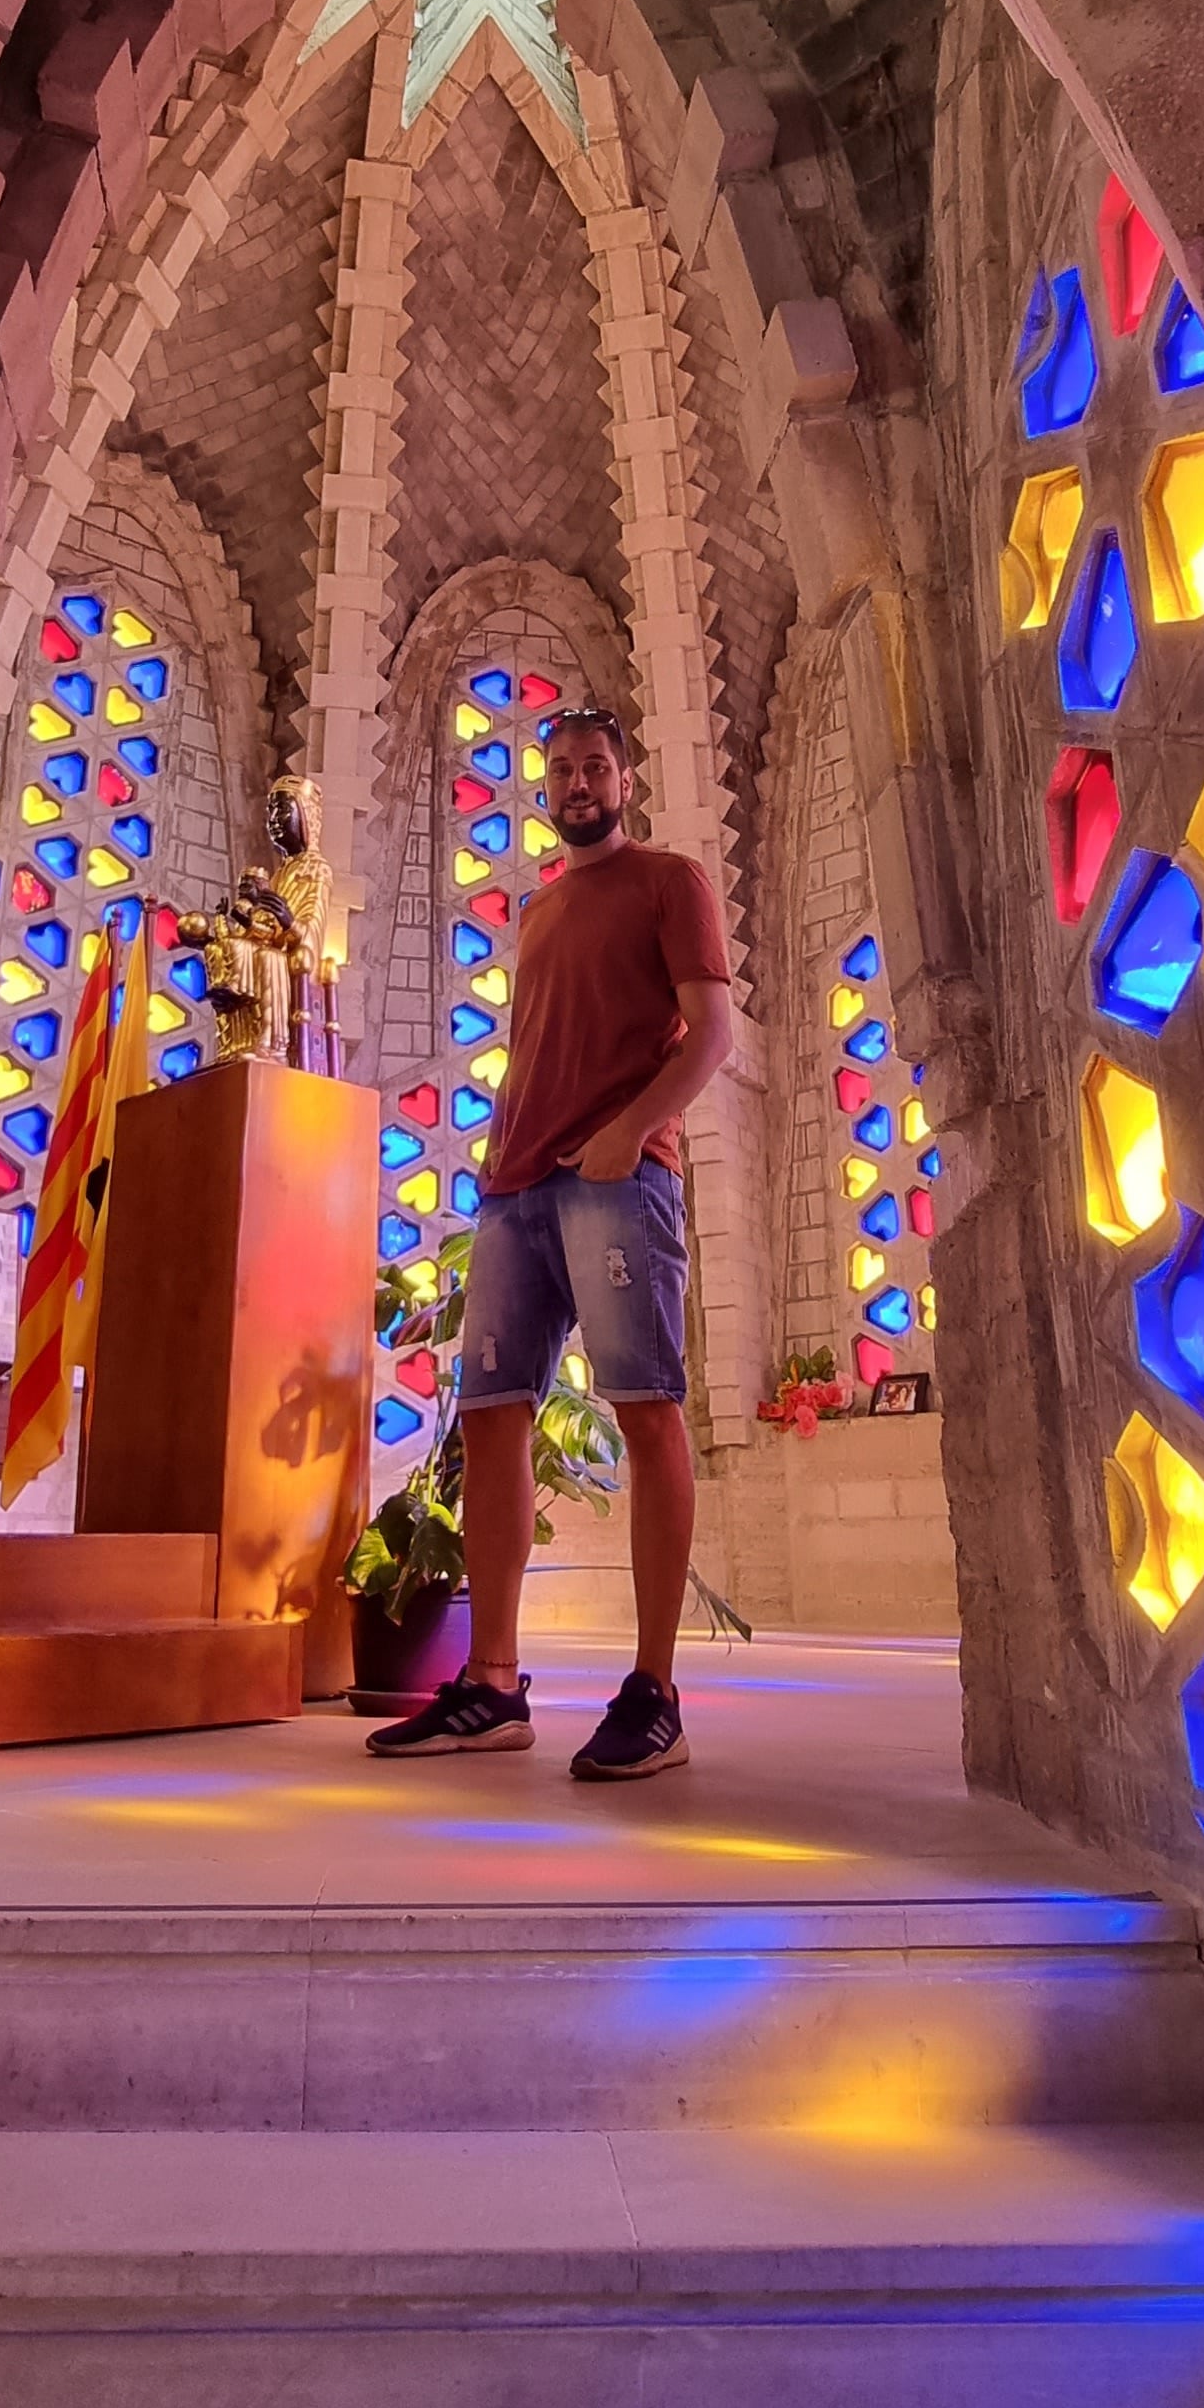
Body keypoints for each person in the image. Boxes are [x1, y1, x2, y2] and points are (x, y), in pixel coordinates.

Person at [367, 705, 733, 1781]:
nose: (577, 782)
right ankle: (490, 1683)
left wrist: (628, 1130)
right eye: (561, 768)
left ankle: (654, 1691)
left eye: (594, 766)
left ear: (626, 778)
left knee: (645, 1411)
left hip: (615, 1179)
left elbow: (711, 1032)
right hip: (514, 1192)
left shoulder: (670, 881)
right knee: (487, 1422)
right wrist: (496, 1163)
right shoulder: (537, 912)